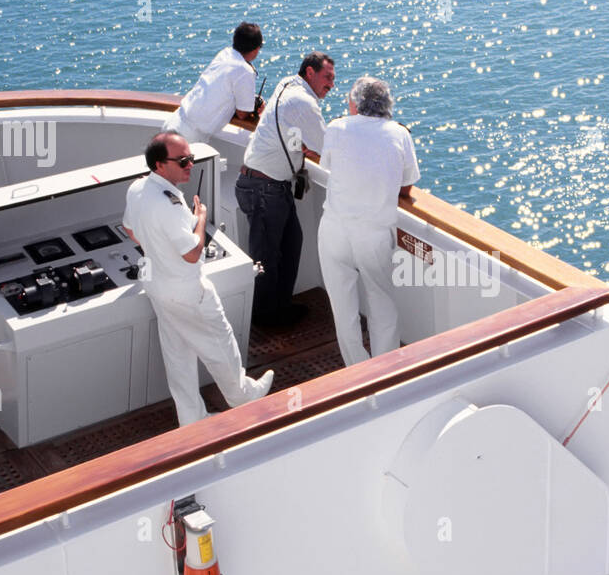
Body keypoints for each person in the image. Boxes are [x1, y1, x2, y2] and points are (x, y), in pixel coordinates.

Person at [122, 131, 273, 427]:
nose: (190, 164)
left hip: (158, 288)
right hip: (189, 292)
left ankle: (191, 419)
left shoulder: (137, 189)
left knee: (178, 356)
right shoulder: (170, 205)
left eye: (191, 158)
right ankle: (244, 398)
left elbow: (130, 230)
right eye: (182, 161)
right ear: (159, 165)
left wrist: (160, 249)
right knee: (221, 345)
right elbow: (192, 253)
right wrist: (200, 216)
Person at [317, 76, 419, 366]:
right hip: (373, 234)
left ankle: (355, 369)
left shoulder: (336, 128)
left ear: (356, 103)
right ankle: (383, 371)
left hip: (335, 229)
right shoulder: (399, 134)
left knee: (343, 306)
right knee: (382, 302)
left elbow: (330, 166)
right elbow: (406, 186)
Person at [236, 51, 336, 327]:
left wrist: (301, 143)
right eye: (327, 77)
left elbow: (292, 128)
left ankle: (279, 308)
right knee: (267, 256)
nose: (331, 85)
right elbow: (327, 148)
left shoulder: (287, 84)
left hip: (266, 184)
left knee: (291, 244)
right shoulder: (303, 102)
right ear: (310, 73)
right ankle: (265, 320)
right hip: (265, 188)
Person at [163, 22, 266, 144]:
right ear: (256, 49)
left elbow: (222, 88)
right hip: (188, 138)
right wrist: (254, 106)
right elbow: (242, 114)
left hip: (174, 121)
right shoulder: (245, 71)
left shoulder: (225, 53)